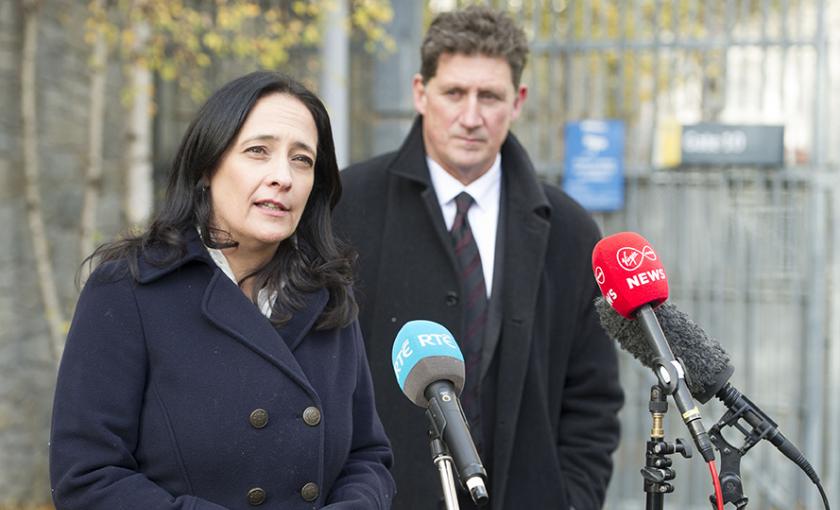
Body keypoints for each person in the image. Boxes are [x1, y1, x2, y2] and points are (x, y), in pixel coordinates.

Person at [50, 71, 395, 510]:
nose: (282, 177)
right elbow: (87, 476)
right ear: (207, 166)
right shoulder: (127, 289)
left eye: (302, 160)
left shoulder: (326, 295)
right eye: (258, 151)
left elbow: (367, 456)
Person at [333, 6, 623, 509]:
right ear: (420, 93)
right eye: (454, 93)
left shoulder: (570, 230)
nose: (470, 117)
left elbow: (592, 401)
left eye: (489, 96)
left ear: (518, 101)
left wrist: (572, 501)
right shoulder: (345, 206)